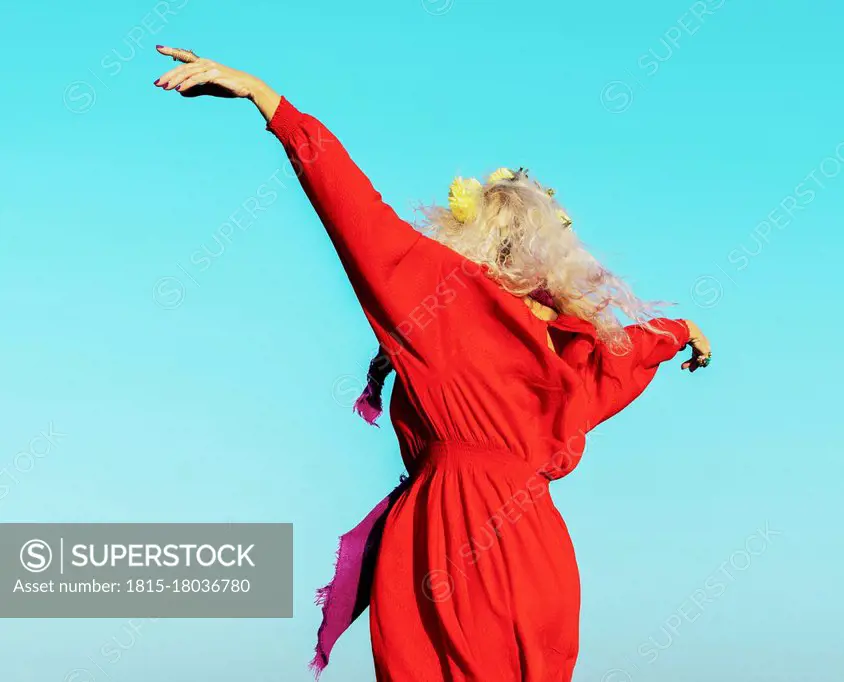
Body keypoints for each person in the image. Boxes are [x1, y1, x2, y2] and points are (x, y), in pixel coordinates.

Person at [153, 45, 713, 682]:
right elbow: (622, 356)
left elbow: (353, 209)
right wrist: (679, 331)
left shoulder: (440, 297)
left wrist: (269, 100)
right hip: (531, 552)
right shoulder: (560, 348)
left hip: (449, 538)